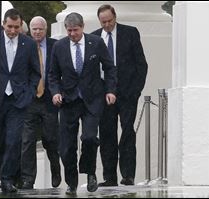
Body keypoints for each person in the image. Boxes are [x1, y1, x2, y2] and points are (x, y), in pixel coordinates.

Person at [48, 12, 117, 195]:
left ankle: (90, 172)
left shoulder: (96, 42)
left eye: (75, 30)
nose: (72, 34)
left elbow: (109, 67)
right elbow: (53, 74)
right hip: (69, 101)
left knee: (89, 138)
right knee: (66, 147)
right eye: (69, 31)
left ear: (82, 27)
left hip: (92, 99)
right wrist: (55, 93)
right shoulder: (59, 46)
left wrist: (110, 90)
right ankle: (71, 182)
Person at [0, 8, 41, 193]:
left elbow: (35, 72)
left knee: (13, 140)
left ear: (21, 26)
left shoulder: (28, 44)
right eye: (9, 26)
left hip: (18, 100)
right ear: (3, 24)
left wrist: (29, 94)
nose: (13, 31)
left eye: (16, 27)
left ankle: (6, 178)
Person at [91, 4, 148, 186]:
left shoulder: (130, 33)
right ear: (99, 21)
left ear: (115, 17)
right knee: (107, 135)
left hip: (127, 94)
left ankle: (128, 175)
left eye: (110, 20)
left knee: (127, 132)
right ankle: (109, 177)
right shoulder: (94, 37)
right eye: (103, 22)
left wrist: (135, 91)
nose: (107, 25)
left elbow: (141, 64)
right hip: (103, 94)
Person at [20, 16, 61, 189]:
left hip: (49, 99)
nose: (37, 32)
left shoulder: (55, 46)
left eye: (40, 29)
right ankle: (29, 178)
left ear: (46, 30)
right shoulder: (25, 45)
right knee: (28, 141)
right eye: (34, 29)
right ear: (30, 29)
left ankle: (55, 168)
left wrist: (58, 92)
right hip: (30, 99)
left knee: (50, 139)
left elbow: (60, 69)